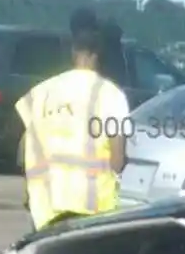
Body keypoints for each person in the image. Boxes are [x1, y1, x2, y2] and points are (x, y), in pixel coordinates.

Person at [15, 23, 130, 232]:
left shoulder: (43, 91)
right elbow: (117, 159)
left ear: (73, 53)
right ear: (97, 56)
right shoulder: (112, 95)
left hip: (45, 205)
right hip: (92, 208)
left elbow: (23, 149)